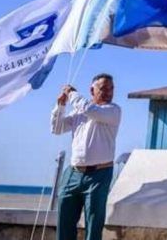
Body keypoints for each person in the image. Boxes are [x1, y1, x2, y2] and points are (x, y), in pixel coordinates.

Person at [51, 73, 122, 240]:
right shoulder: (80, 111)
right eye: (103, 88)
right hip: (73, 173)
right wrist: (60, 106)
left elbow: (91, 110)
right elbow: (56, 128)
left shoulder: (113, 110)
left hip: (99, 174)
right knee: (64, 222)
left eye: (111, 88)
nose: (108, 92)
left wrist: (72, 93)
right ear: (92, 90)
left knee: (93, 225)